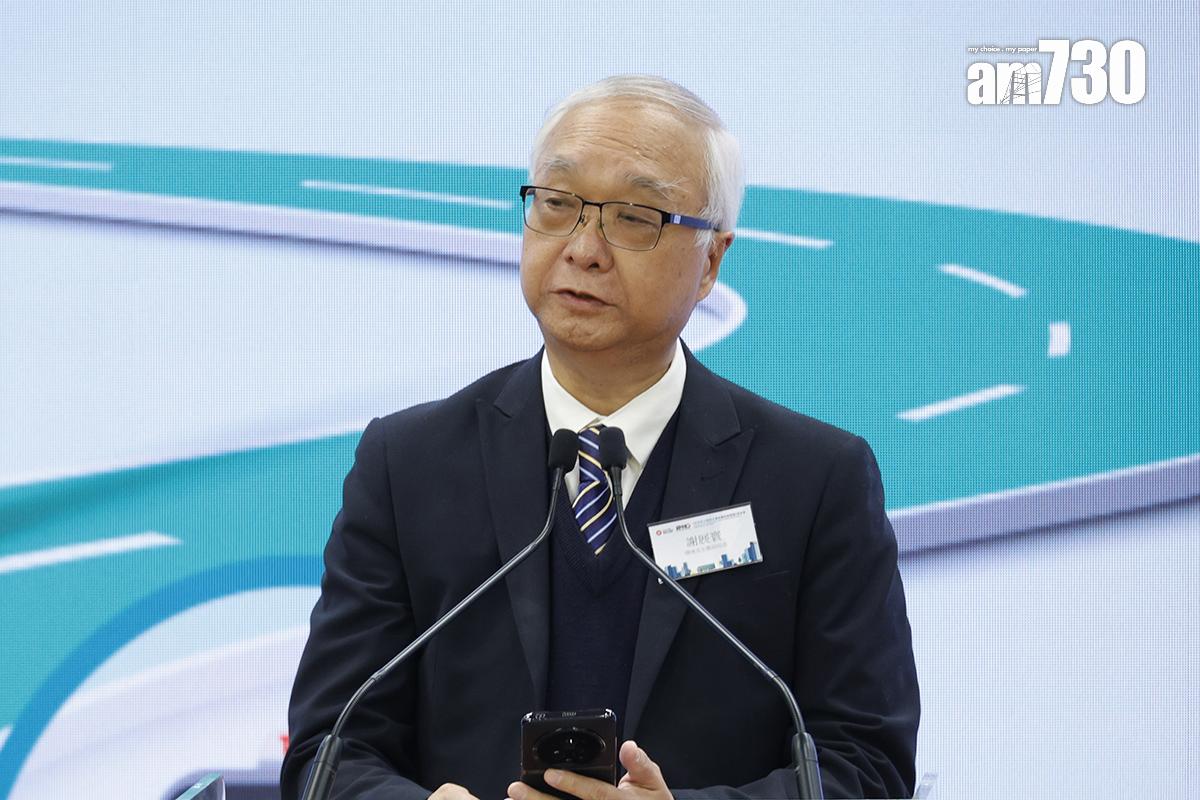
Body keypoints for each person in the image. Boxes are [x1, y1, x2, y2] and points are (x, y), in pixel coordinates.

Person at [281, 74, 919, 800]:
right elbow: (327, 755)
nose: (584, 248)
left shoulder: (815, 479)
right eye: (558, 204)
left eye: (635, 217)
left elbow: (867, 765)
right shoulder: (408, 464)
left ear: (710, 262)